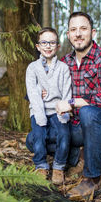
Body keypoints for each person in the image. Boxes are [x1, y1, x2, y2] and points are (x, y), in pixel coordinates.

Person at [56, 11, 101, 200]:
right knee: (35, 139)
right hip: (76, 128)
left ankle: (93, 179)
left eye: (83, 29)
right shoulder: (64, 63)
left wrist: (74, 102)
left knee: (88, 112)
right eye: (73, 29)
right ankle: (78, 155)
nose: (78, 34)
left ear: (93, 32)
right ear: (68, 35)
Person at [25, 27, 72, 185]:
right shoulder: (32, 68)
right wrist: (40, 117)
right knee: (38, 137)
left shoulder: (63, 68)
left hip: (58, 109)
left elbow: (67, 93)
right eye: (44, 42)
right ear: (38, 46)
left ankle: (59, 166)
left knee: (64, 136)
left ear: (57, 46)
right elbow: (32, 93)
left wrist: (64, 114)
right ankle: (41, 165)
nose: (48, 46)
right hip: (38, 109)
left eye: (52, 42)